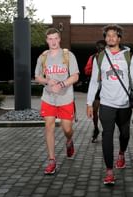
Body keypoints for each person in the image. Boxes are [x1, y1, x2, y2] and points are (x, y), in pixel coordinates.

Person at [86, 24, 133, 185]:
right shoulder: (100, 57)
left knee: (124, 134)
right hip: (106, 103)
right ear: (105, 38)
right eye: (108, 35)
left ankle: (122, 153)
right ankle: (109, 171)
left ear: (119, 38)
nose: (111, 38)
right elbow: (93, 82)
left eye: (114, 35)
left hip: (124, 103)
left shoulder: (129, 56)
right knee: (107, 136)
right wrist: (90, 103)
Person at [35, 28, 79, 175]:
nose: (53, 42)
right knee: (49, 127)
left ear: (59, 39)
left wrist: (61, 84)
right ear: (47, 40)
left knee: (67, 129)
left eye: (55, 38)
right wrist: (47, 81)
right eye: (50, 39)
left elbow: (75, 76)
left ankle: (69, 141)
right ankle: (52, 160)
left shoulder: (68, 55)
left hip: (65, 98)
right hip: (48, 98)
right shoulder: (43, 57)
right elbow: (37, 77)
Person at [84, 40, 106, 143]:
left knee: (105, 111)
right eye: (99, 48)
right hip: (97, 87)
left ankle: (106, 130)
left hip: (108, 87)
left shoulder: (110, 57)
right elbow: (86, 71)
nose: (101, 50)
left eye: (103, 48)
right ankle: (96, 129)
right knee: (95, 111)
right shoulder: (93, 58)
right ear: (97, 48)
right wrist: (95, 69)